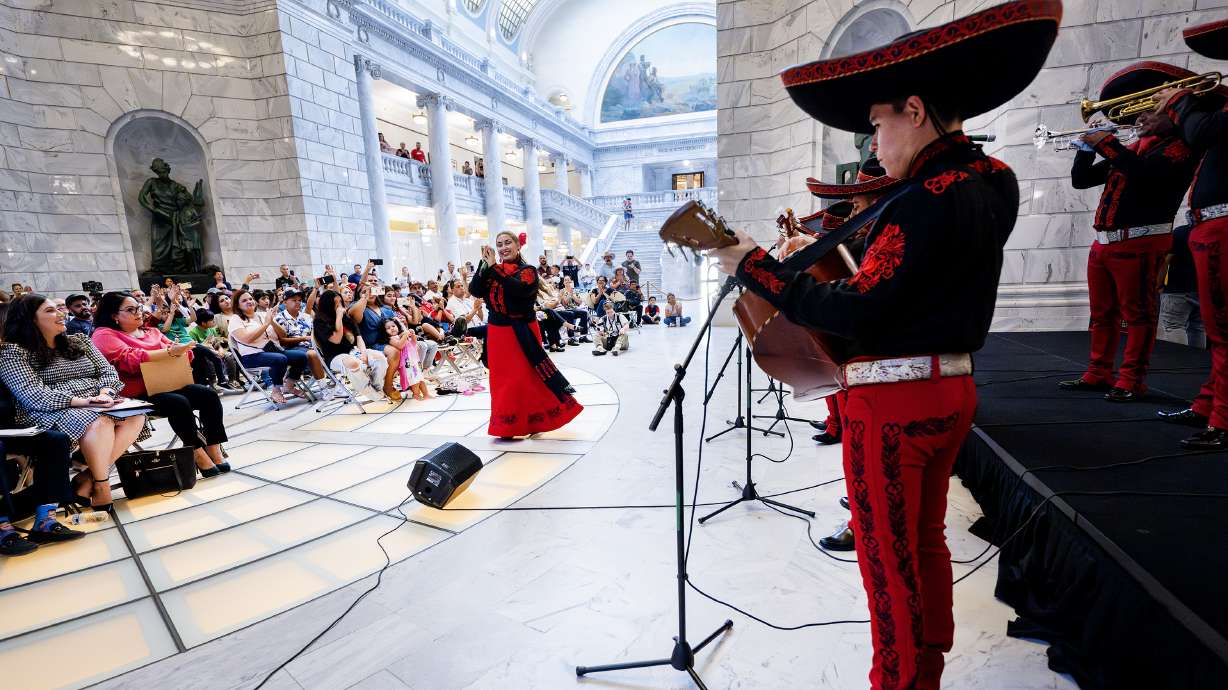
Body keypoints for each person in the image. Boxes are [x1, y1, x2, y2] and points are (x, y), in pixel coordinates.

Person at [707, 4, 1057, 686]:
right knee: (923, 542)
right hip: (951, 390)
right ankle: (925, 667)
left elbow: (857, 311)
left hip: (893, 405)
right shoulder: (993, 184)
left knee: (886, 560)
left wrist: (752, 266)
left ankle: (898, 680)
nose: (873, 144)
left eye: (876, 123)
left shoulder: (923, 198)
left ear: (915, 109)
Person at [1058, 62, 1201, 403]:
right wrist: (1085, 146)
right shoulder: (1132, 150)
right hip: (1104, 244)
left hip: (1141, 240)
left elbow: (1143, 174)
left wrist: (1105, 141)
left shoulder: (1179, 148)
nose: (1139, 120)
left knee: (1138, 315)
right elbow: (1082, 180)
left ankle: (1132, 380)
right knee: (1102, 313)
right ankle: (1098, 372)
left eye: (1151, 111)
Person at [0, 294, 150, 511]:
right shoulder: (13, 353)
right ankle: (102, 486)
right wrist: (84, 401)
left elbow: (108, 372)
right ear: (30, 319)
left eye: (59, 310)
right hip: (49, 409)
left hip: (98, 401)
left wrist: (106, 393)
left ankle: (90, 479)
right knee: (101, 422)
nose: (61, 314)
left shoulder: (79, 341)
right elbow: (33, 395)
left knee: (136, 414)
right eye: (50, 311)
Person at [1152, 21, 1228, 448]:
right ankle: (1208, 406)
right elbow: (1200, 138)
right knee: (1217, 329)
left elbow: (1201, 132)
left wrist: (1179, 99)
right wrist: (1163, 121)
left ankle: (1223, 420)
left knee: (1223, 329)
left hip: (1223, 226)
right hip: (1208, 226)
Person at [91, 292, 230, 478]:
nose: (138, 313)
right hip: (137, 393)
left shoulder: (152, 332)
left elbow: (186, 354)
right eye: (130, 310)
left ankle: (214, 448)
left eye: (138, 308)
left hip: (169, 383)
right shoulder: (104, 335)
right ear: (114, 315)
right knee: (177, 402)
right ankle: (196, 451)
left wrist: (177, 351)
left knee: (207, 395)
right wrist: (168, 352)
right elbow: (128, 361)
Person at [471, 232, 582, 437]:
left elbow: (519, 291)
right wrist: (483, 265)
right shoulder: (491, 269)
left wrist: (494, 267)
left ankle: (536, 420)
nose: (504, 247)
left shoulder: (528, 270)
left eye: (508, 243)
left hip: (522, 330)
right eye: (499, 244)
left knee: (527, 377)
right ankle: (507, 426)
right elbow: (475, 290)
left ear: (518, 246)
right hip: (497, 333)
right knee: (502, 380)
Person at [227, 289, 309, 404]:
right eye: (244, 300)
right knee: (280, 359)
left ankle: (289, 385)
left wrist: (271, 321)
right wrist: (266, 324)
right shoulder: (235, 319)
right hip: (251, 356)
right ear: (238, 305)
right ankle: (276, 390)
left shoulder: (262, 315)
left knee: (301, 356)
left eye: (250, 299)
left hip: (273, 350)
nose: (249, 301)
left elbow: (283, 335)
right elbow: (247, 339)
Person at [313, 289, 388, 400]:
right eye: (336, 303)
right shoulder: (320, 321)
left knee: (380, 357)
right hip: (334, 356)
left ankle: (376, 387)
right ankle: (370, 392)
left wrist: (364, 354)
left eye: (340, 302)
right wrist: (338, 317)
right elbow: (337, 340)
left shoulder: (346, 317)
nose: (339, 306)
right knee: (353, 363)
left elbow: (359, 337)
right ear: (328, 304)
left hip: (352, 351)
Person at [346, 277, 404, 401]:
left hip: (388, 341)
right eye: (365, 292)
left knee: (411, 346)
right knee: (394, 352)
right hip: (369, 346)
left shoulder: (385, 309)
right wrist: (364, 297)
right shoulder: (358, 308)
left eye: (371, 290)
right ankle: (388, 386)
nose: (369, 293)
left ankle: (402, 380)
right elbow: (353, 315)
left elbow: (398, 327)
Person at [1157, 224, 1205, 349]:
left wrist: (1159, 284)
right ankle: (1196, 364)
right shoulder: (1211, 231)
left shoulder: (1180, 232)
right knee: (1199, 328)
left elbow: (1166, 261)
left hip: (1176, 290)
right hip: (1202, 289)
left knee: (1174, 326)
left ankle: (1178, 364)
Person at [272, 288, 327, 380]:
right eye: (294, 300)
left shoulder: (305, 316)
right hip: (293, 348)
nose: (298, 302)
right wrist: (304, 338)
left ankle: (337, 382)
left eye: (300, 300)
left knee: (337, 348)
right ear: (285, 302)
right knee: (313, 354)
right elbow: (282, 341)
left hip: (312, 346)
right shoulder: (279, 318)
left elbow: (314, 333)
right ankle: (324, 387)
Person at [381, 319, 429, 400]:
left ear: (398, 327)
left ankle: (426, 394)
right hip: (406, 364)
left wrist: (413, 335)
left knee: (420, 378)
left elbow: (413, 344)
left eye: (393, 326)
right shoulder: (391, 339)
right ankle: (416, 394)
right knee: (413, 380)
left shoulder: (402, 335)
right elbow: (400, 345)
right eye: (388, 328)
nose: (392, 328)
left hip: (413, 361)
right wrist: (405, 335)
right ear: (384, 331)